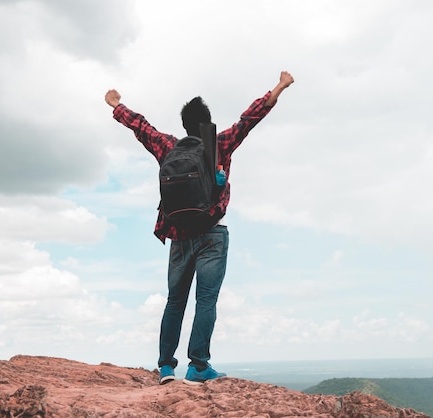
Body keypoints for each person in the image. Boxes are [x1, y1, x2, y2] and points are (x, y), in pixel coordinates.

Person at [104, 71, 294, 384]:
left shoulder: (168, 146)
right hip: (212, 234)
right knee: (205, 301)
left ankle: (166, 367)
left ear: (184, 125)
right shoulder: (218, 143)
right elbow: (251, 117)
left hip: (178, 236)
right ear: (207, 123)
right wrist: (280, 86)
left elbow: (142, 127)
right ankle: (198, 366)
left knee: (174, 301)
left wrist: (116, 105)